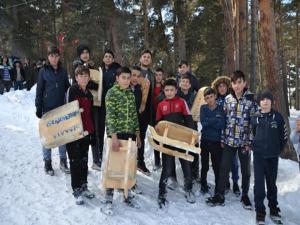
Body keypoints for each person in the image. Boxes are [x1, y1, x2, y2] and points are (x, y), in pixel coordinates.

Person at [206, 70, 256, 210]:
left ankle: (244, 195)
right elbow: (224, 120)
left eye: (239, 82)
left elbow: (254, 124)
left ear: (244, 83)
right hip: (229, 140)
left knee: (245, 171)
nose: (237, 85)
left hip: (244, 143)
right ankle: (220, 195)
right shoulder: (227, 99)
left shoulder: (251, 100)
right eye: (234, 83)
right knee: (224, 168)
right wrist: (222, 137)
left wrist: (250, 142)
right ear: (232, 85)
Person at [103, 66, 141, 212]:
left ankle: (126, 192)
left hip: (129, 134)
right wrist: (113, 137)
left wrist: (137, 134)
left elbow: (134, 115)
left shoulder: (130, 94)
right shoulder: (111, 93)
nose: (126, 80)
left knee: (127, 165)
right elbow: (110, 116)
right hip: (116, 134)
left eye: (128, 77)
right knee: (113, 165)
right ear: (117, 78)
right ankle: (109, 195)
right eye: (123, 78)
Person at [155, 79, 196, 208]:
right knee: (167, 166)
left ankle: (188, 189)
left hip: (182, 140)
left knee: (186, 164)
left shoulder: (182, 102)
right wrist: (157, 130)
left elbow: (189, 120)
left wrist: (193, 137)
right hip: (168, 141)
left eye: (171, 90)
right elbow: (158, 123)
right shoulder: (161, 105)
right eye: (166, 90)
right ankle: (162, 190)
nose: (169, 92)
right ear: (164, 91)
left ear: (176, 90)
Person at [251, 90, 287, 224]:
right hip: (259, 157)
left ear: (272, 102)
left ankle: (274, 210)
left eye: (268, 99)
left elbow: (283, 137)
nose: (265, 101)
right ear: (259, 102)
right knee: (259, 185)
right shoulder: (255, 117)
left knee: (272, 184)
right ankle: (260, 213)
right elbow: (253, 134)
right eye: (262, 99)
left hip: (272, 157)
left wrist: (277, 150)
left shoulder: (277, 117)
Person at [35, 45, 70, 176]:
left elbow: (67, 87)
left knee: (62, 136)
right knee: (47, 137)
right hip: (47, 109)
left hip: (61, 108)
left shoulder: (63, 70)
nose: (54, 58)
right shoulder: (43, 71)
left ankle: (63, 160)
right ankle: (47, 162)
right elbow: (39, 90)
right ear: (48, 57)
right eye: (51, 56)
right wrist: (38, 106)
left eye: (56, 56)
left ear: (59, 57)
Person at [66, 65, 95, 205]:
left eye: (86, 75)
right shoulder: (72, 91)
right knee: (75, 161)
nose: (83, 78)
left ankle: (84, 185)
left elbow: (90, 115)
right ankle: (76, 188)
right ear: (76, 78)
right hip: (73, 133)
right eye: (80, 76)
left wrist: (92, 133)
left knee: (84, 160)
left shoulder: (89, 94)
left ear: (89, 77)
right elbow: (68, 112)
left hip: (86, 132)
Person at [72, 44, 101, 170]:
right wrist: (93, 85)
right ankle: (81, 160)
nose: (85, 55)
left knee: (92, 130)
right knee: (81, 132)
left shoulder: (92, 67)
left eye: (87, 52)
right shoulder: (76, 66)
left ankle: (95, 160)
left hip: (92, 102)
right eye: (83, 53)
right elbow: (80, 82)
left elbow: (95, 79)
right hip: (79, 103)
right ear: (79, 55)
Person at [212, 76, 240, 195]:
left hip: (231, 134)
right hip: (218, 135)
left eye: (224, 86)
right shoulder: (215, 100)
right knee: (221, 161)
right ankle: (225, 182)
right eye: (219, 86)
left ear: (227, 87)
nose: (222, 88)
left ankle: (235, 183)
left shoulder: (232, 99)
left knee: (233, 161)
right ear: (217, 88)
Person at [97, 50, 121, 170]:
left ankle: (113, 154)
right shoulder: (99, 70)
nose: (107, 58)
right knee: (100, 130)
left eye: (110, 57)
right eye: (105, 56)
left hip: (113, 104)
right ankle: (101, 155)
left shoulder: (117, 70)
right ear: (103, 58)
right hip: (101, 104)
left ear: (113, 59)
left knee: (112, 130)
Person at [199, 87, 225, 194]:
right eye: (207, 98)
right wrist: (215, 120)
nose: (209, 99)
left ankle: (218, 188)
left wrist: (209, 120)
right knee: (204, 165)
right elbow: (203, 123)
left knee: (216, 166)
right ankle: (203, 184)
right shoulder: (203, 108)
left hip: (216, 142)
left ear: (215, 96)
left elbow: (222, 124)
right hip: (205, 140)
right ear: (205, 100)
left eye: (211, 97)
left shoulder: (221, 108)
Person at [137, 49, 155, 176]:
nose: (146, 59)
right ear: (140, 58)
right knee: (132, 136)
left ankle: (140, 161)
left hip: (146, 109)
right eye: (144, 56)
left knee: (141, 136)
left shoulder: (152, 74)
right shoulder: (135, 72)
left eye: (148, 57)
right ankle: (131, 161)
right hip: (134, 108)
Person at [152, 67, 164, 171]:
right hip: (153, 115)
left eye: (160, 75)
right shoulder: (150, 86)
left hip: (163, 116)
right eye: (156, 75)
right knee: (155, 138)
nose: (158, 77)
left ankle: (166, 160)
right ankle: (157, 161)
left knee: (163, 138)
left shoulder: (165, 87)